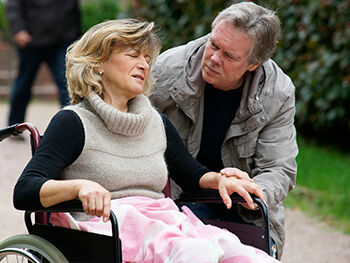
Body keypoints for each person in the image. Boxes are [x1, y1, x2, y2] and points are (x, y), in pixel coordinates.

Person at [13, 19, 280, 262]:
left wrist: (222, 180)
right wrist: (80, 188)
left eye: (147, 58)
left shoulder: (156, 123)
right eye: (133, 55)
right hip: (106, 228)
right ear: (97, 64)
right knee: (194, 252)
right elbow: (25, 189)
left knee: (246, 255)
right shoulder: (74, 122)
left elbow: (192, 175)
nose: (144, 64)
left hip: (162, 224)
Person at [150, 1, 298, 259]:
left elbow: (279, 169)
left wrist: (250, 192)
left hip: (243, 212)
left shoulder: (278, 92)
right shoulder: (166, 71)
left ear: (254, 63)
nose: (214, 59)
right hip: (176, 203)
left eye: (229, 56)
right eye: (213, 44)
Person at [6, 0, 81, 127]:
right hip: (31, 41)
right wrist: (18, 29)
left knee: (67, 84)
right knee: (23, 84)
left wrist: (75, 37)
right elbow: (14, 6)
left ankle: (72, 124)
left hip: (60, 42)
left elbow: (73, 9)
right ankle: (14, 126)